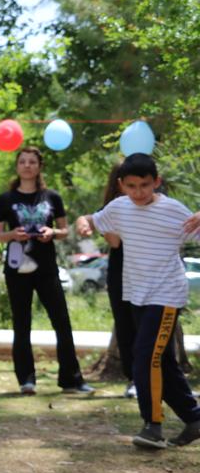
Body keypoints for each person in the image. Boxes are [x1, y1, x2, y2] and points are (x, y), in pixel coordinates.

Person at [75, 153, 200, 449]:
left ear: (156, 182)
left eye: (145, 185)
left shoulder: (173, 211)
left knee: (145, 356)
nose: (139, 192)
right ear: (122, 185)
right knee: (160, 360)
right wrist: (84, 223)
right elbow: (92, 219)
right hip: (136, 294)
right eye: (131, 186)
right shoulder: (119, 208)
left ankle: (152, 426)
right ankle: (194, 419)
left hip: (166, 295)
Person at [0, 147, 93, 396]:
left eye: (32, 162)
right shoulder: (5, 199)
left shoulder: (52, 197)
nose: (27, 165)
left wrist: (52, 233)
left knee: (61, 321)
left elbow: (65, 230)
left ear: (39, 167)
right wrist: (13, 235)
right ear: (17, 166)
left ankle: (71, 380)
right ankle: (26, 380)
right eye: (23, 161)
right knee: (22, 323)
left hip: (47, 268)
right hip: (17, 269)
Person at [98, 164, 137, 399]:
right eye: (130, 183)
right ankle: (134, 379)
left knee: (148, 328)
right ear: (119, 183)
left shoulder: (155, 205)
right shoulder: (108, 211)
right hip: (121, 274)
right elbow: (115, 242)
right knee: (125, 326)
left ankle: (162, 378)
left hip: (149, 273)